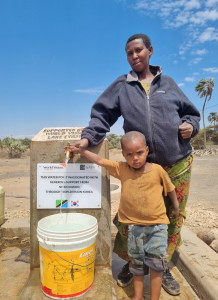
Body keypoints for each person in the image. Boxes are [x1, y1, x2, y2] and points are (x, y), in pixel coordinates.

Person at [69, 33, 201, 295]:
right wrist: (87, 139)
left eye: (139, 50)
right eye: (129, 53)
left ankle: (161, 267)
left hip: (176, 163)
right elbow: (101, 116)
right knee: (132, 219)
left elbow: (191, 113)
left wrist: (190, 126)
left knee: (172, 219)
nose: (134, 56)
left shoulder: (169, 83)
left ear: (150, 51)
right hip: (142, 167)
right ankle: (133, 263)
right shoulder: (122, 86)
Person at [70, 131, 179, 300]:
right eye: (130, 154)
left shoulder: (157, 170)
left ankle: (154, 298)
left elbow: (170, 188)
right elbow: (100, 161)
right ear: (123, 155)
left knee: (157, 265)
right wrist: (83, 151)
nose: (135, 158)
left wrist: (176, 207)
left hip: (158, 227)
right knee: (137, 264)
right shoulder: (122, 169)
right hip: (134, 229)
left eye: (139, 153)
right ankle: (137, 296)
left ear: (147, 150)